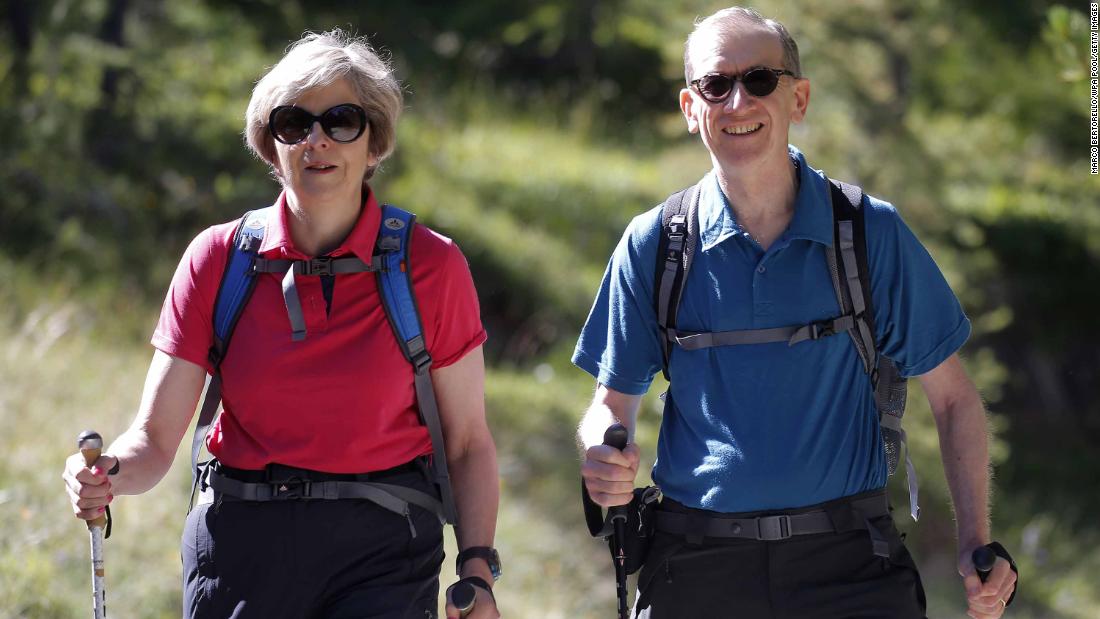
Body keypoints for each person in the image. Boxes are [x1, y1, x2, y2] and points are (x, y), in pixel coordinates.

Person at [575, 7, 1017, 619]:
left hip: (851, 570)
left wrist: (974, 540)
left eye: (760, 80)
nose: (737, 102)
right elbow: (609, 405)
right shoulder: (655, 243)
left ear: (798, 98)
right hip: (695, 571)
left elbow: (955, 400)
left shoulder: (869, 234)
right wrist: (602, 454)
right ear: (689, 107)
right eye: (715, 85)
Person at [62, 30, 501, 619]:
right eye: (293, 123)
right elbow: (155, 438)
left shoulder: (429, 265)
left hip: (384, 553)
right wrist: (108, 474)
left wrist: (477, 567)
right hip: (239, 547)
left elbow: (469, 441)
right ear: (271, 146)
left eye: (341, 120)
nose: (316, 140)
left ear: (375, 143)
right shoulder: (219, 259)